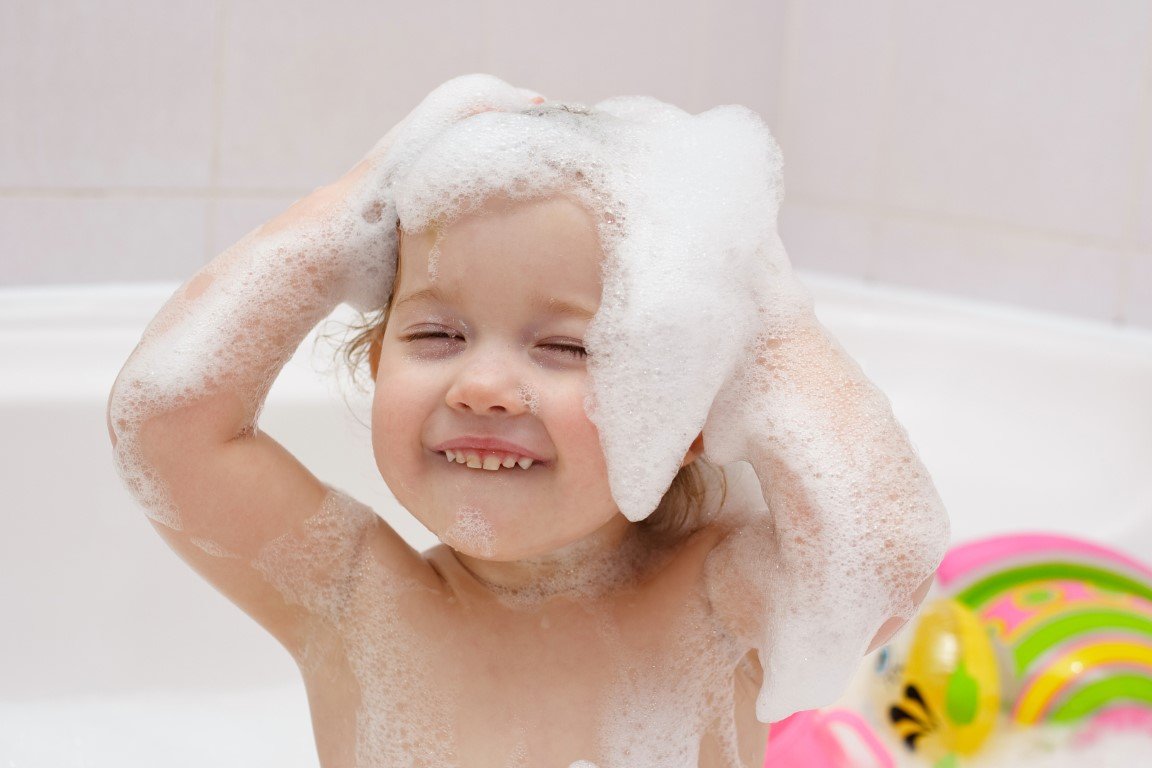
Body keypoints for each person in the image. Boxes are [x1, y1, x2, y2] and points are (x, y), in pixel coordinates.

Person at [107, 74, 948, 768]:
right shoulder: (354, 598)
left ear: (686, 409)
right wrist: (351, 207)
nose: (483, 385)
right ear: (373, 363)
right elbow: (166, 420)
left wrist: (760, 315)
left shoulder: (718, 602)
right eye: (437, 334)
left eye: (565, 349)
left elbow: (884, 550)